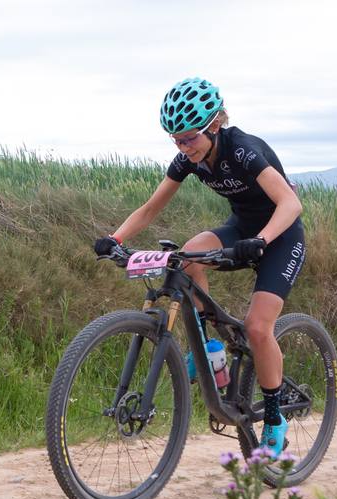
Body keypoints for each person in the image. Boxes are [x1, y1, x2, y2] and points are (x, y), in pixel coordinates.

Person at [93, 77, 305, 457]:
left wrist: (262, 240)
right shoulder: (187, 159)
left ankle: (274, 418)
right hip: (242, 229)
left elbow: (290, 204)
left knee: (258, 327)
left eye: (189, 138)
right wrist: (116, 238)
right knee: (188, 256)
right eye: (175, 139)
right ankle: (212, 349)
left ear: (214, 125)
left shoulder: (242, 150)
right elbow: (151, 207)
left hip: (281, 236)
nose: (182, 146)